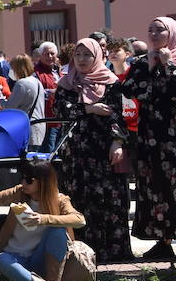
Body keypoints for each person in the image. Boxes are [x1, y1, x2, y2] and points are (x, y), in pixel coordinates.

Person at [52, 39, 131, 263]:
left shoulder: (112, 82)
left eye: (87, 55)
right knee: (79, 198)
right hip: (76, 150)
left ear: (98, 56)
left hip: (103, 149)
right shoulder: (66, 83)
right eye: (78, 55)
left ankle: (111, 252)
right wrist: (88, 108)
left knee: (107, 198)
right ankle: (81, 253)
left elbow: (119, 114)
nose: (82, 59)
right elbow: (60, 110)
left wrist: (117, 142)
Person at [112, 17, 176, 261]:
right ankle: (163, 242)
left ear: (171, 32)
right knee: (155, 189)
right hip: (150, 136)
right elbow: (129, 91)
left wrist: (170, 66)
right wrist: (152, 69)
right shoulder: (144, 62)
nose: (153, 34)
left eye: (159, 30)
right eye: (150, 29)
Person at [0, 161, 84, 281]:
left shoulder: (59, 200)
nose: (23, 183)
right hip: (15, 258)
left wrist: (44, 219)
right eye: (22, 178)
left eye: (29, 180)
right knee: (0, 259)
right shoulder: (19, 193)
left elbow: (79, 220)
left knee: (58, 231)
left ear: (43, 182)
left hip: (41, 259)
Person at [3, 54, 47, 149]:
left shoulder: (21, 84)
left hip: (27, 129)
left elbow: (9, 106)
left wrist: (0, 101)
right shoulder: (36, 81)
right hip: (38, 127)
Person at [32, 42, 63, 152]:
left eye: (52, 53)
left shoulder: (58, 71)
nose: (50, 57)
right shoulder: (35, 73)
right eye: (46, 54)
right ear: (40, 56)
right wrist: (50, 92)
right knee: (48, 154)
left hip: (61, 120)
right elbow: (34, 92)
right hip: (46, 121)